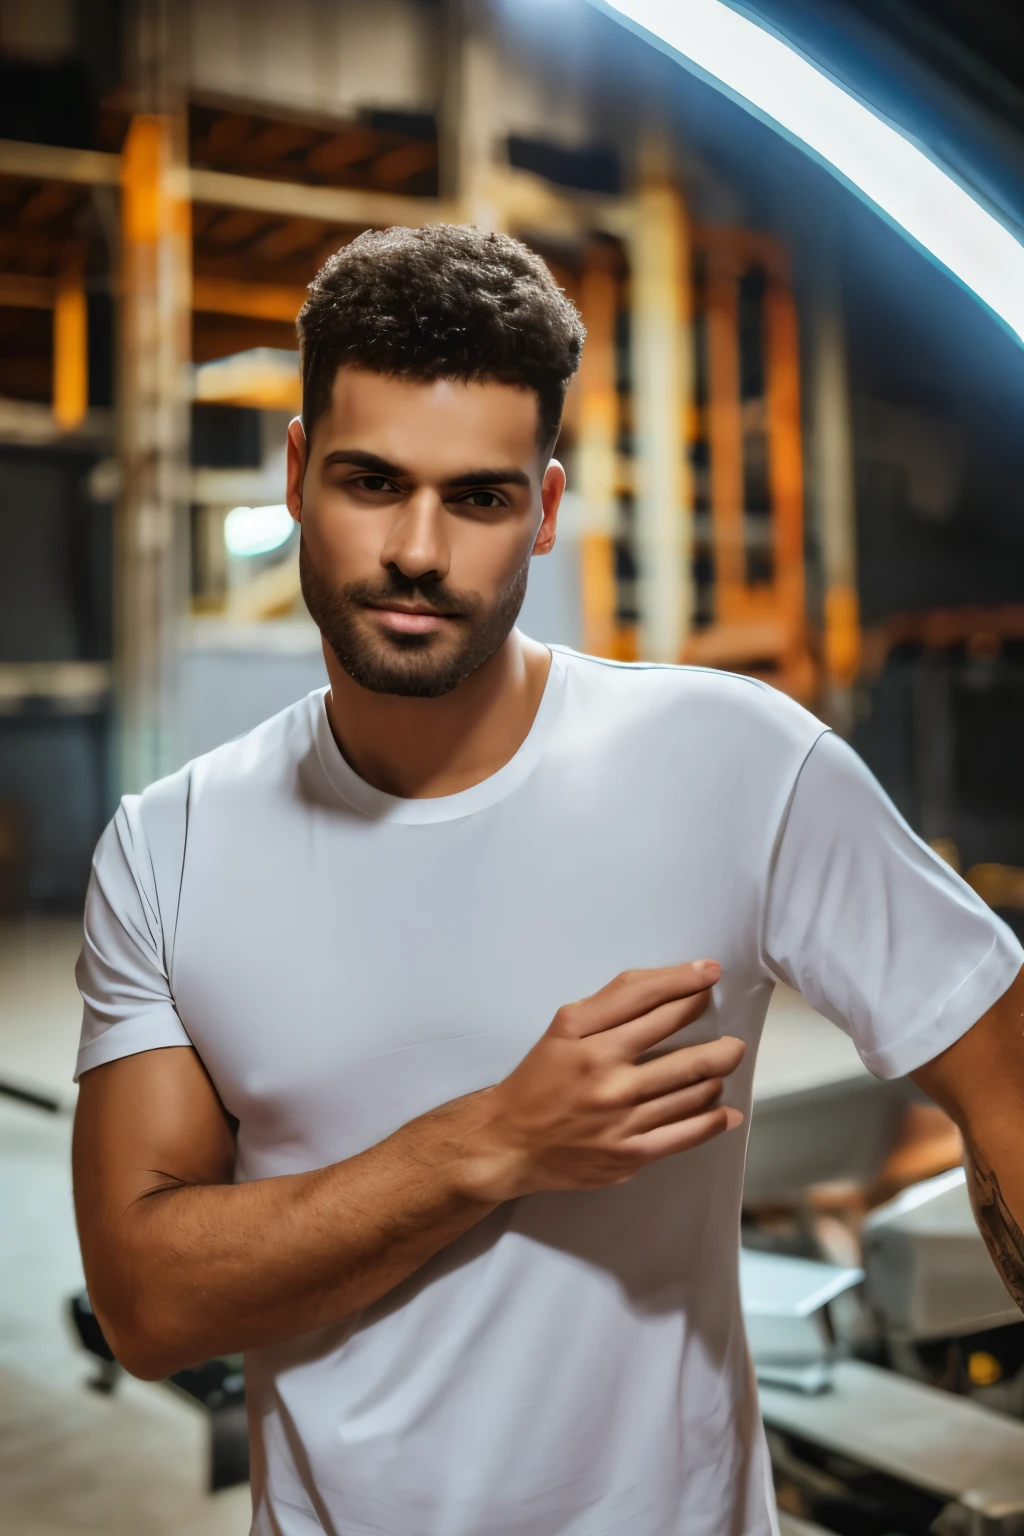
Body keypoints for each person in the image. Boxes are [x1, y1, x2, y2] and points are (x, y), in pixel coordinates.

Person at [73, 224, 1024, 1536]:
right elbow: (147, 1300)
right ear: (297, 474)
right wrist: (497, 1144)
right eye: (370, 482)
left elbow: (1007, 1086)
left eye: (478, 497)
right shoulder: (170, 847)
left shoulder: (738, 765)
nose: (418, 549)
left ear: (548, 508)